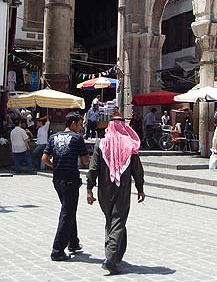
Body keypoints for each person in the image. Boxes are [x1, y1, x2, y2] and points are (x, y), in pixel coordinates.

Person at [86, 117, 145, 275]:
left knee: (112, 220)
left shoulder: (101, 144)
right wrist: (140, 188)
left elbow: (93, 168)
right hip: (122, 189)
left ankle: (117, 253)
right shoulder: (130, 144)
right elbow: (137, 170)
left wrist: (89, 188)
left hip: (104, 189)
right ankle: (111, 258)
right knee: (118, 219)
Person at [42, 112, 89, 261]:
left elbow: (44, 158)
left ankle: (73, 242)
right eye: (80, 124)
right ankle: (57, 250)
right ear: (73, 123)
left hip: (57, 179)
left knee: (68, 208)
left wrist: (55, 165)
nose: (81, 127)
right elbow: (86, 160)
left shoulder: (53, 137)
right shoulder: (77, 138)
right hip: (71, 178)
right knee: (67, 212)